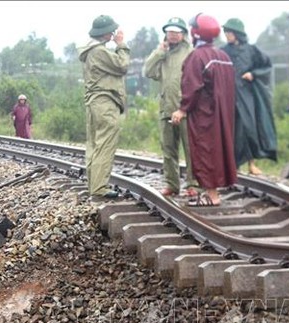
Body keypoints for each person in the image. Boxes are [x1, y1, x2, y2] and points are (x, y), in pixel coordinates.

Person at [171, 13, 237, 207]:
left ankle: (212, 196)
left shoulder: (197, 56)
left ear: (195, 33)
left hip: (204, 115)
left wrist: (182, 109)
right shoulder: (223, 56)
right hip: (222, 113)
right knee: (218, 150)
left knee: (205, 151)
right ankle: (213, 193)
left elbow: (191, 86)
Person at [143, 17, 199, 198]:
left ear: (183, 34)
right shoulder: (163, 54)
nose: (172, 35)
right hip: (166, 108)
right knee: (168, 150)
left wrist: (185, 107)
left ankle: (193, 184)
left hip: (186, 110)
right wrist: (159, 51)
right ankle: (172, 184)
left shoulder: (191, 53)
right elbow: (148, 71)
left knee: (191, 149)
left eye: (176, 32)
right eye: (169, 32)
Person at [78, 15, 130, 201]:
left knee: (95, 144)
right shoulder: (99, 51)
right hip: (105, 101)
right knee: (105, 144)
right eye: (112, 31)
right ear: (106, 33)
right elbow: (122, 65)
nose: (114, 33)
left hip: (95, 101)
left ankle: (94, 184)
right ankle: (99, 187)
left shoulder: (91, 51)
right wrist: (121, 45)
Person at [221, 18, 277, 176]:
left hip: (247, 96)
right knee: (232, 130)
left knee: (250, 129)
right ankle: (233, 165)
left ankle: (252, 164)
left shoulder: (252, 50)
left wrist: (253, 74)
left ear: (237, 33)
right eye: (225, 32)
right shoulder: (223, 51)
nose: (227, 35)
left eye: (229, 32)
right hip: (229, 97)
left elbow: (266, 66)